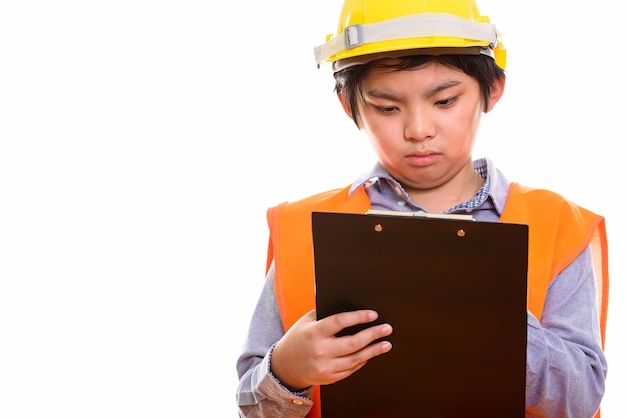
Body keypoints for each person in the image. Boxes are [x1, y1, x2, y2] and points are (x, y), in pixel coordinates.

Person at [235, 0, 610, 416]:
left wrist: (501, 325)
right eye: (387, 108)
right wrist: (288, 369)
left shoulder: (556, 225)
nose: (418, 130)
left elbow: (580, 399)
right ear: (349, 107)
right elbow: (252, 408)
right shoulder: (302, 227)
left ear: (493, 90)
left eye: (445, 101)